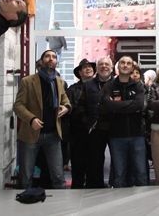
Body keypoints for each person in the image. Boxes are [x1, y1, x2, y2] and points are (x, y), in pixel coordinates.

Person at [13, 49, 71, 190]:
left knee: (58, 176)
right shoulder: (28, 81)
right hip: (30, 135)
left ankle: (62, 208)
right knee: (26, 176)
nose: (51, 59)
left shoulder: (60, 82)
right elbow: (18, 105)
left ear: (56, 62)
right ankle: (22, 206)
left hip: (53, 135)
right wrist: (31, 119)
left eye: (54, 57)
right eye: (47, 56)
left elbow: (65, 101)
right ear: (41, 61)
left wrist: (66, 107)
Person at [100, 55, 147, 187]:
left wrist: (117, 106)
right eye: (122, 63)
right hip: (116, 136)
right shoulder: (109, 86)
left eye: (128, 63)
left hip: (137, 135)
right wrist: (129, 105)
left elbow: (139, 105)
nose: (125, 65)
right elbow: (107, 106)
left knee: (141, 173)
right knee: (119, 174)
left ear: (132, 67)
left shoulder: (138, 85)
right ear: (117, 66)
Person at [78, 56, 113, 188]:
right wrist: (87, 122)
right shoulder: (88, 85)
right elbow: (80, 106)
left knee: (117, 160)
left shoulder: (118, 83)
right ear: (97, 68)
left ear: (111, 67)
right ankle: (95, 186)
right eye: (101, 64)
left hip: (115, 128)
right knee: (95, 160)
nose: (104, 66)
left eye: (107, 64)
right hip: (95, 129)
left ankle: (116, 185)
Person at [67, 58, 95, 189]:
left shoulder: (99, 87)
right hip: (78, 133)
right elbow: (71, 108)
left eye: (90, 67)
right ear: (80, 72)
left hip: (95, 132)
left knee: (94, 164)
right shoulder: (72, 89)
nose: (88, 69)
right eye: (85, 67)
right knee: (78, 164)